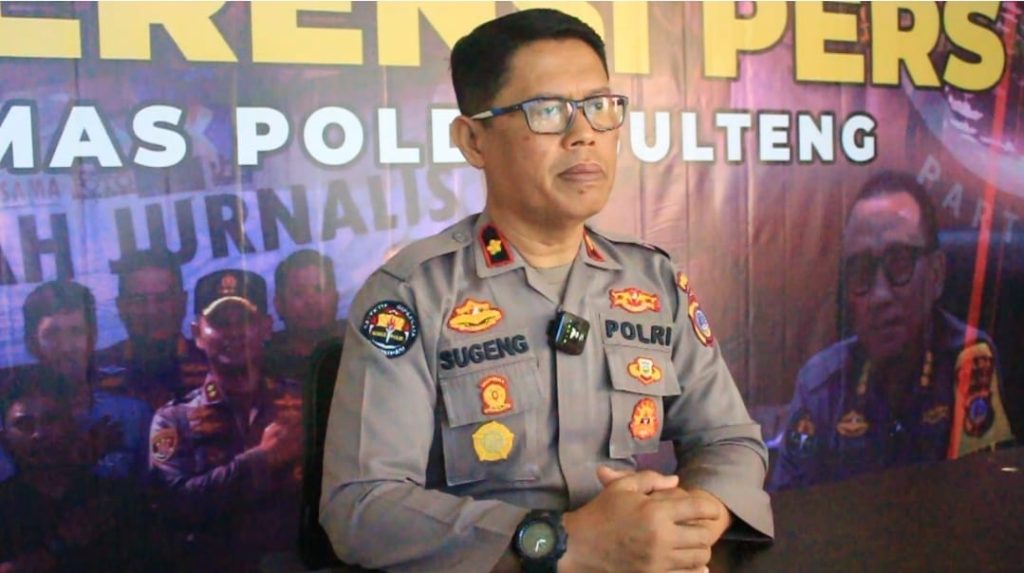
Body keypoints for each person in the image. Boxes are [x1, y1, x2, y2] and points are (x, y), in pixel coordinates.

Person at [320, 9, 773, 573]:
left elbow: (729, 440)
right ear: (474, 140)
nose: (583, 133)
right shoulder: (413, 295)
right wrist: (561, 542)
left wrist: (693, 519)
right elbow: (361, 506)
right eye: (548, 111)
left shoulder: (652, 281)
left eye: (599, 106)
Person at [770, 171, 1017, 491]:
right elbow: (788, 511)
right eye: (861, 271)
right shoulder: (821, 386)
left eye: (899, 263)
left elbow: (984, 497)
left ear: (936, 274)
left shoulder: (969, 363)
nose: (880, 295)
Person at [148, 269, 303, 572]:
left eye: (244, 320)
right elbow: (172, 503)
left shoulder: (303, 402)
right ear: (197, 334)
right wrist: (262, 459)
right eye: (220, 323)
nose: (234, 332)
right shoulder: (172, 420)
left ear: (267, 327)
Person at [0, 281, 152, 482]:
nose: (66, 347)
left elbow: (152, 492)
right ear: (31, 344)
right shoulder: (14, 423)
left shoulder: (132, 415)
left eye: (76, 332)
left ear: (93, 337)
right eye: (52, 334)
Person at [0, 370, 151, 572]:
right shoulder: (5, 506)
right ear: (5, 439)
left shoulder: (115, 497)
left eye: (50, 420)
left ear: (72, 426)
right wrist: (60, 543)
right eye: (24, 425)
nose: (39, 434)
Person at [94, 249, 208, 410]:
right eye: (139, 300)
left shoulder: (211, 364)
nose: (152, 311)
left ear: (182, 303)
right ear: (121, 307)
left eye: (163, 299)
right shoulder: (98, 371)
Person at [266, 249, 345, 382]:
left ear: (336, 298)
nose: (311, 301)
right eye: (298, 293)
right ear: (279, 305)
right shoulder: (263, 362)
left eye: (320, 290)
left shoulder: (357, 345)